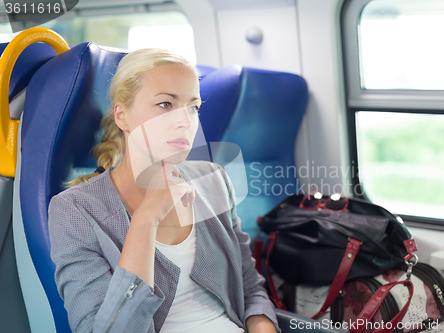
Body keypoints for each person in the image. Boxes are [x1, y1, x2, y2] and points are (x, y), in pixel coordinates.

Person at [48, 48, 280, 333]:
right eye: (166, 104)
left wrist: (262, 327)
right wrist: (146, 219)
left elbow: (249, 287)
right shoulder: (75, 210)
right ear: (122, 116)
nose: (185, 121)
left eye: (193, 107)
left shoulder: (213, 179)